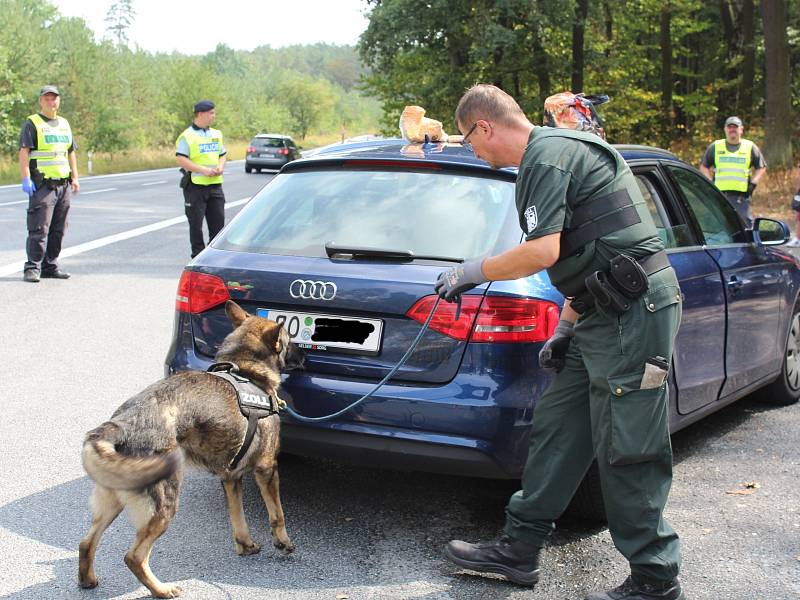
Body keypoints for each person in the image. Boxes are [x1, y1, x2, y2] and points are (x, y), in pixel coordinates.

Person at [435, 84, 684, 600]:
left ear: (485, 126)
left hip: (635, 314)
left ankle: (655, 577)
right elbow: (589, 253)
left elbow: (542, 251)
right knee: (560, 428)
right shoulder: (555, 154)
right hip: (600, 307)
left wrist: (472, 271)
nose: (474, 153)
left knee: (627, 441)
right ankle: (519, 549)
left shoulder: (546, 160)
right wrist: (566, 329)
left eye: (470, 141)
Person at [19, 85, 79, 283]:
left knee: (59, 228)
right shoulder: (32, 123)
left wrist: (75, 178)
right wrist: (25, 177)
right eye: (47, 98)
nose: (51, 102)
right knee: (39, 227)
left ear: (59, 101)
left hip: (63, 185)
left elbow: (70, 152)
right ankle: (33, 267)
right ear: (41, 101)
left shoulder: (64, 124)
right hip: (43, 184)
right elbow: (24, 151)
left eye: (54, 98)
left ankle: (50, 266)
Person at [175, 99, 227, 258]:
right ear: (200, 114)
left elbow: (222, 155)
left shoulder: (216, 134)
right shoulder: (187, 136)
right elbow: (181, 159)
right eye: (211, 113)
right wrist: (203, 170)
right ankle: (197, 256)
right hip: (195, 186)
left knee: (218, 224)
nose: (213, 116)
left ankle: (214, 256)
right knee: (196, 225)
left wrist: (220, 166)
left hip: (215, 185)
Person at [699, 116, 766, 226]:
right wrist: (710, 183)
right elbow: (703, 166)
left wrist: (753, 183)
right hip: (719, 195)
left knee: (743, 225)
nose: (732, 130)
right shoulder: (716, 146)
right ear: (725, 129)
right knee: (720, 225)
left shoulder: (750, 147)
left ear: (741, 130)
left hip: (741, 197)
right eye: (729, 127)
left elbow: (761, 167)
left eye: (735, 127)